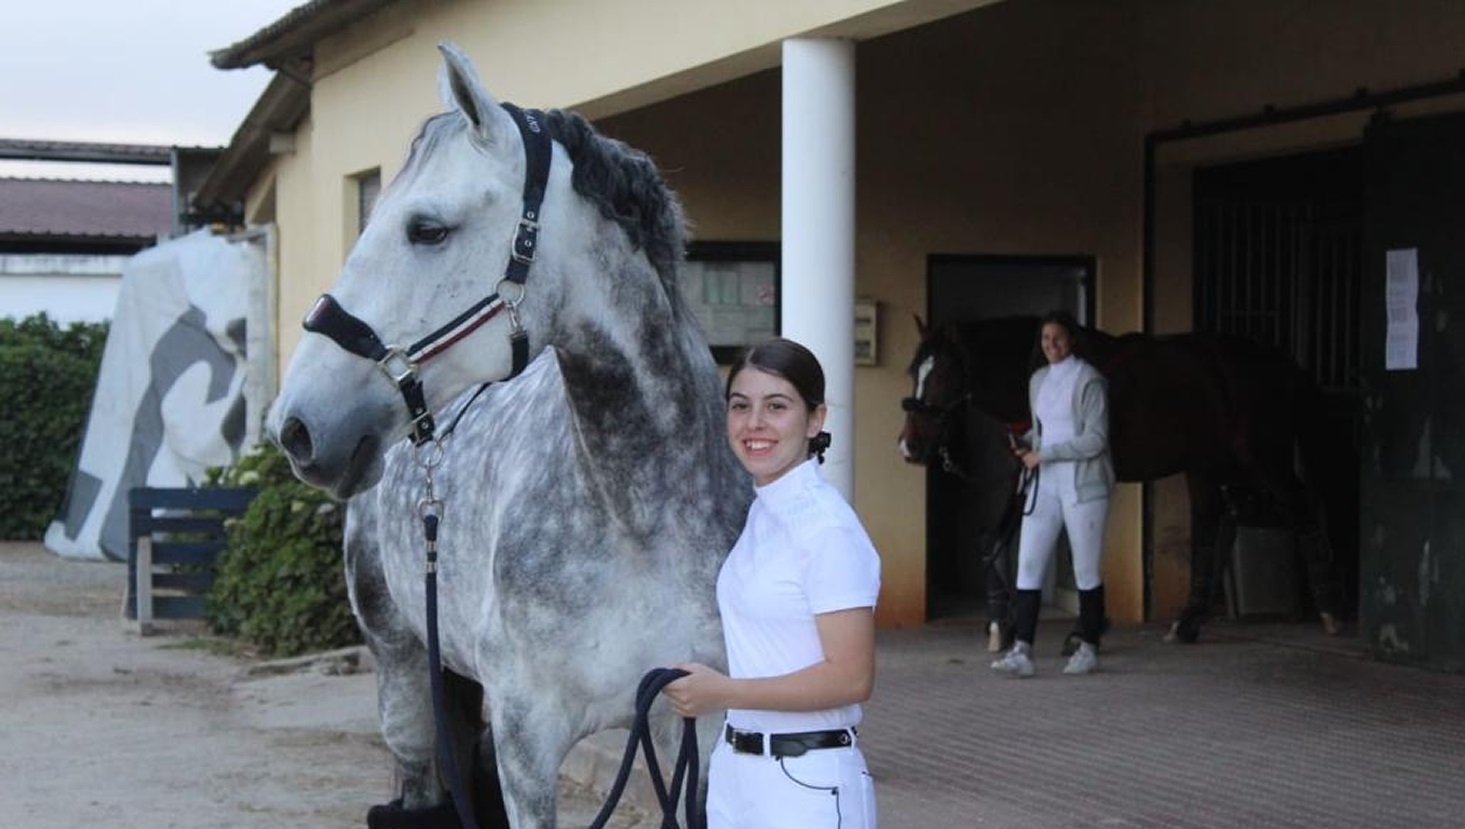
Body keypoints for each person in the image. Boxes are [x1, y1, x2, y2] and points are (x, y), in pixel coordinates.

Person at [662, 337, 882, 829]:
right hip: (737, 774)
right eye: (741, 406)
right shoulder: (764, 512)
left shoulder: (828, 530)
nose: (754, 423)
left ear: (815, 419)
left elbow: (851, 677)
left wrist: (724, 692)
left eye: (777, 406)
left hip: (805, 785)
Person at [990, 310, 1114, 677]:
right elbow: (1046, 432)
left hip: (1083, 485)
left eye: (1058, 338)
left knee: (1085, 569)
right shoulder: (1039, 380)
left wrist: (1044, 454)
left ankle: (1089, 647)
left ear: (1071, 339)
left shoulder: (1089, 380)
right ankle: (1022, 649)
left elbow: (1095, 439)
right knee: (1028, 564)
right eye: (1046, 339)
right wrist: (1025, 442)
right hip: (1044, 484)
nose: (1051, 345)